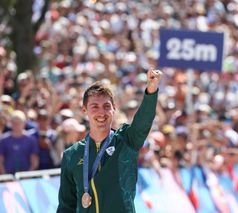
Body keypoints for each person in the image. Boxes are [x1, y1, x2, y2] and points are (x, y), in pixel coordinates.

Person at [57, 68, 162, 213]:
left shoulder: (127, 142)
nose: (101, 112)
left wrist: (151, 91)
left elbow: (143, 122)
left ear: (114, 109)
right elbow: (66, 206)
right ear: (84, 110)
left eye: (107, 106)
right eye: (95, 107)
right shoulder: (71, 155)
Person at [0, 110, 39, 174]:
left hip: (26, 178)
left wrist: (28, 175)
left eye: (19, 123)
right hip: (8, 177)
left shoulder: (31, 140)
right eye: (14, 123)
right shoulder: (3, 140)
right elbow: (0, 160)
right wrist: (5, 175)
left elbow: (34, 161)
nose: (16, 125)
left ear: (24, 123)